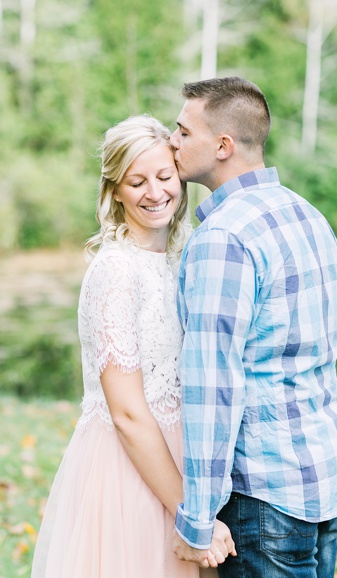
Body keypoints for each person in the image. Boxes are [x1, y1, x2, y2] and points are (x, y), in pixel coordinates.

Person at [31, 115, 234, 578]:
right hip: (130, 472)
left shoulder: (181, 258)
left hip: (183, 461)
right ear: (115, 192)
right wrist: (192, 514)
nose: (155, 192)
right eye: (137, 182)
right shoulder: (116, 271)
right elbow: (125, 412)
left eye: (164, 177)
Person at [169, 77, 337, 577]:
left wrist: (199, 517)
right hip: (325, 471)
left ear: (223, 146)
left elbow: (215, 386)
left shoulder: (223, 237)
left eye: (184, 132)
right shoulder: (308, 216)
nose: (173, 142)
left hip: (264, 493)